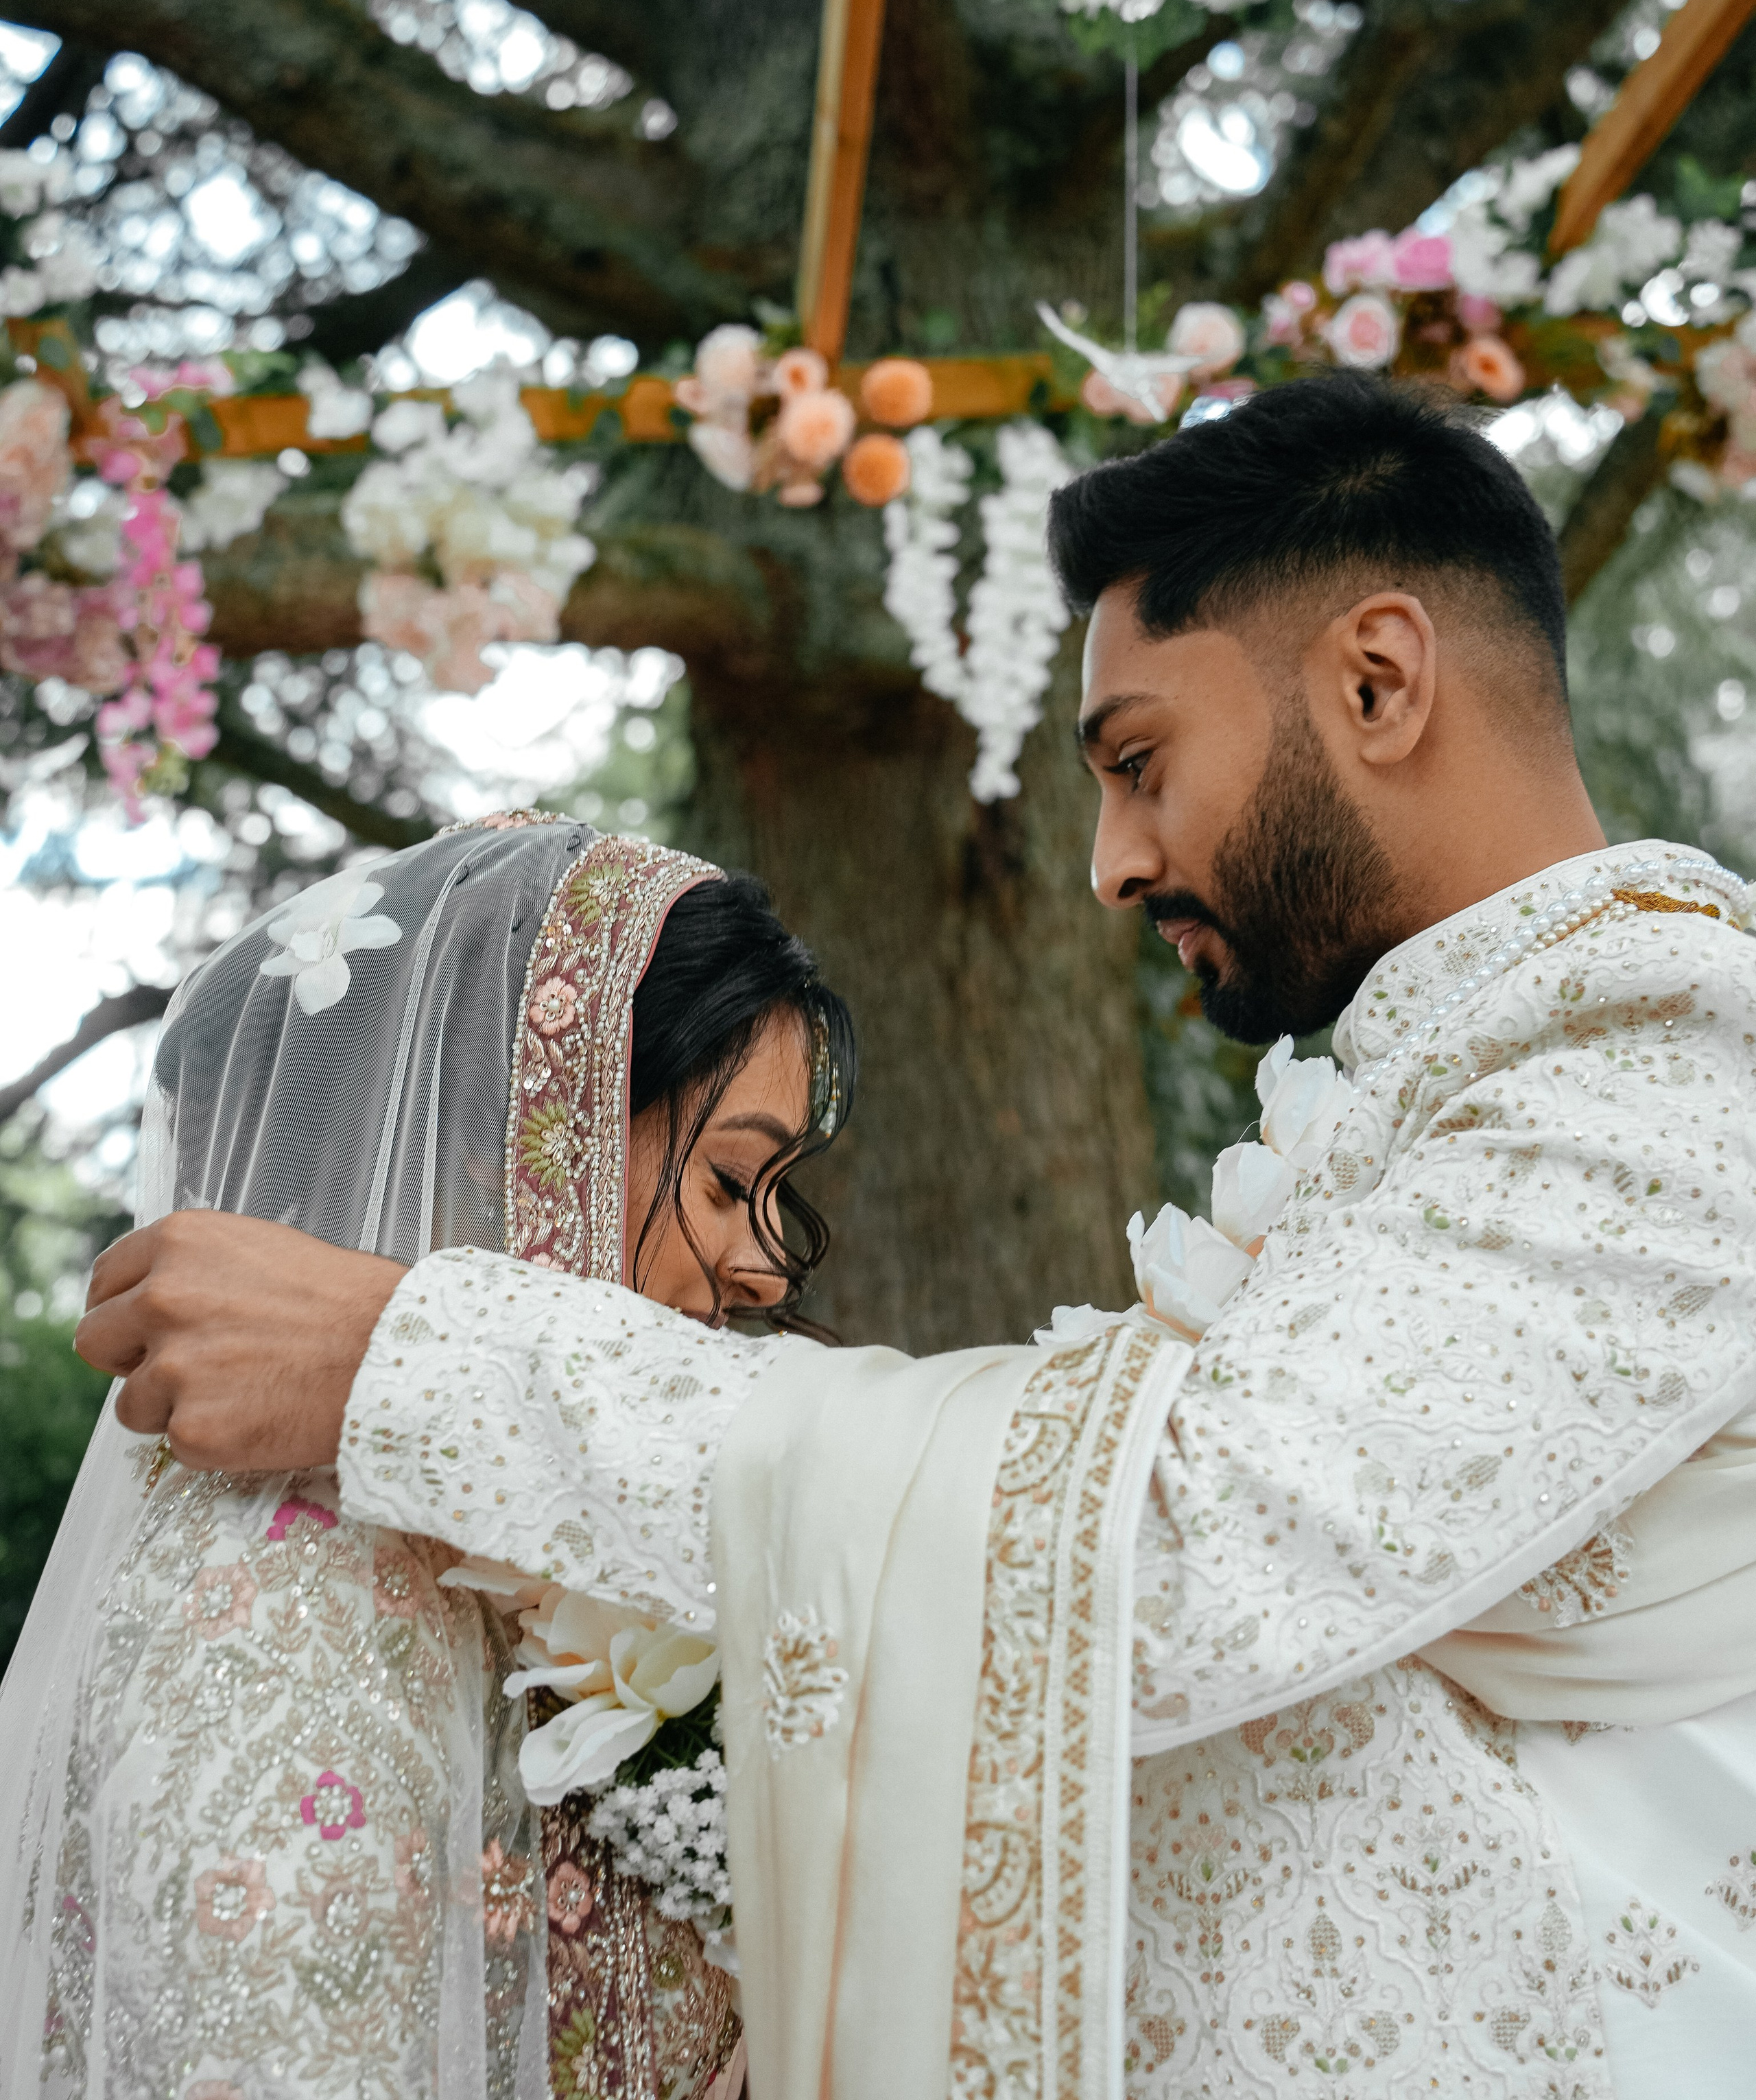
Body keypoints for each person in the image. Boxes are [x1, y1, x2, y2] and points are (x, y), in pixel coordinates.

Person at [69, 376, 1756, 2099]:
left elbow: (1174, 1546)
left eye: (1136, 760)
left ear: (1378, 681)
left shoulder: (1662, 1058)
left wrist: (411, 1359)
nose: (1107, 861)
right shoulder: (1477, 1076)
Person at [0, 815, 855, 2100]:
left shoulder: (544, 1534)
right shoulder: (288, 1605)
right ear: (507, 1145)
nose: (763, 1267)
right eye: (730, 1182)